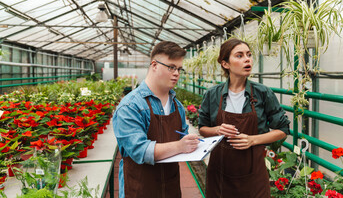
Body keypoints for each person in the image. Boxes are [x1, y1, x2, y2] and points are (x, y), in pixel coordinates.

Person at [198, 38, 290, 198]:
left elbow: (282, 130)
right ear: (225, 63)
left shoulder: (263, 93)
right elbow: (203, 129)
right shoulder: (213, 95)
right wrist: (217, 129)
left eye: (249, 54)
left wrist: (252, 140)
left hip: (253, 174)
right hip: (220, 174)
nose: (247, 59)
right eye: (239, 56)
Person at [113, 41, 200, 198]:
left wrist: (193, 144)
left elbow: (183, 138)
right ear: (154, 65)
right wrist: (180, 146)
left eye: (179, 69)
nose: (176, 73)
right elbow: (140, 150)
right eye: (171, 67)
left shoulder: (177, 106)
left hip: (170, 186)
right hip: (140, 188)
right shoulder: (131, 106)